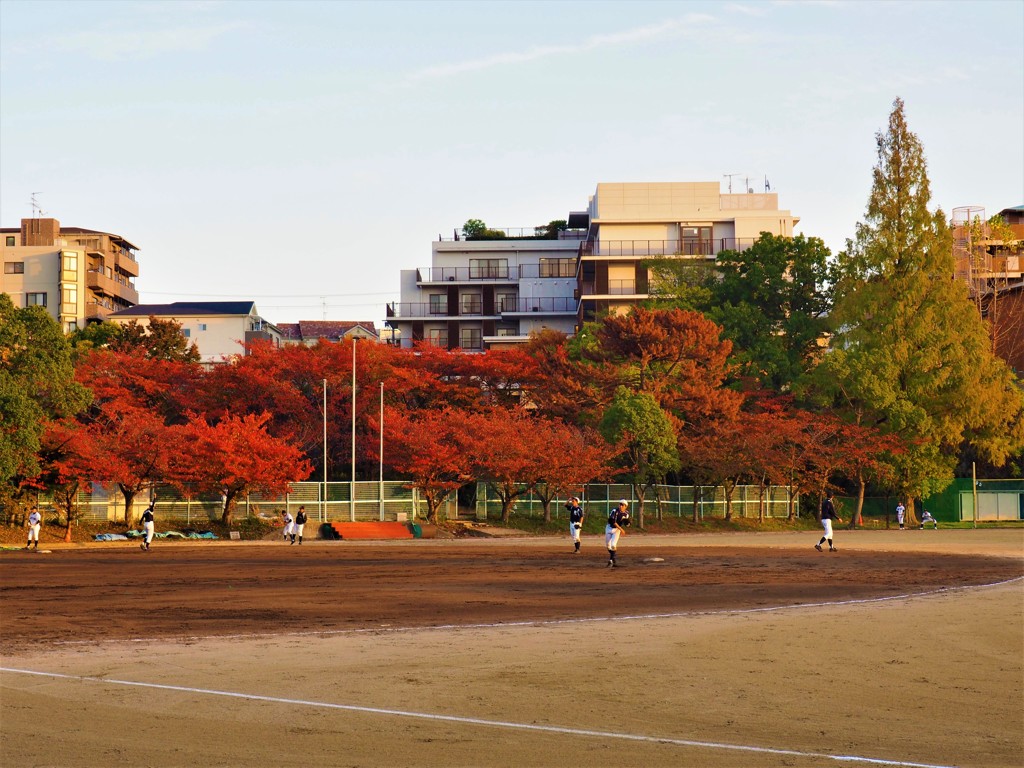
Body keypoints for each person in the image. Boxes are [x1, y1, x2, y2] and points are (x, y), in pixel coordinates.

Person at [605, 499, 630, 568]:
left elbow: (626, 523)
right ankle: (613, 558)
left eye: (622, 505)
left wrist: (627, 524)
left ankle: (611, 560)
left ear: (626, 506)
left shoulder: (626, 513)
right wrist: (621, 529)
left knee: (613, 545)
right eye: (620, 504)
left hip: (616, 530)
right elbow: (613, 522)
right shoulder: (615, 511)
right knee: (608, 546)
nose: (620, 506)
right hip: (609, 528)